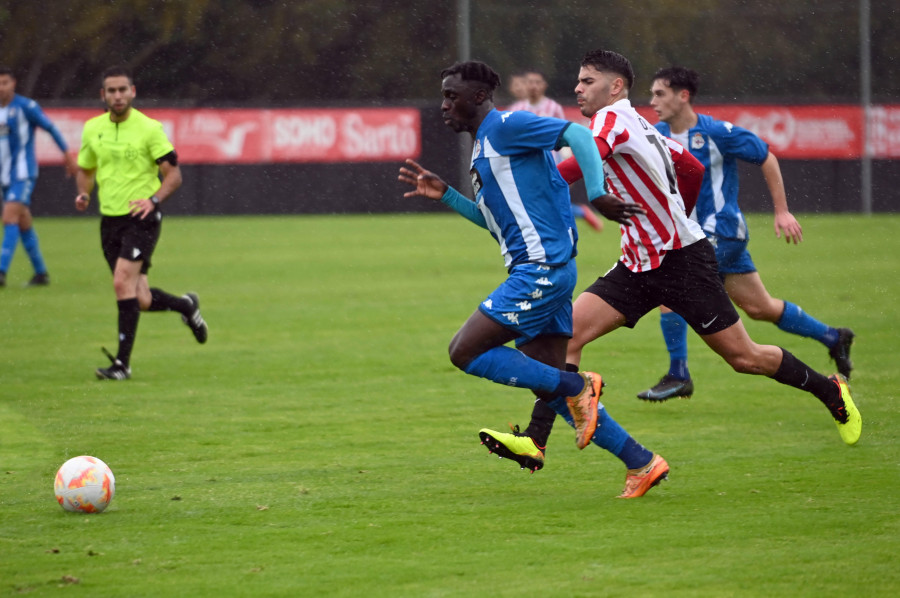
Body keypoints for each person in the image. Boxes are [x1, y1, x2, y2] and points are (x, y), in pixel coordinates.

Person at [481, 50, 861, 482]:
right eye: (579, 80)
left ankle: (831, 390)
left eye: (587, 80)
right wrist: (677, 214)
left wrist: (531, 185)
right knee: (566, 339)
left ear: (616, 86)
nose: (577, 88)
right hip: (638, 265)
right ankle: (536, 439)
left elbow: (578, 162)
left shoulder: (611, 121)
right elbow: (691, 167)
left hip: (682, 262)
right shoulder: (641, 123)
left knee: (745, 357)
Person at [398, 60, 666, 498]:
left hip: (540, 270)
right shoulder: (486, 146)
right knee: (551, 385)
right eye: (443, 96)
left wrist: (596, 193)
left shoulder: (505, 127)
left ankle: (580, 384)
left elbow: (578, 135)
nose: (444, 105)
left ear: (479, 96)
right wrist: (446, 193)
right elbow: (493, 222)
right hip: (545, 270)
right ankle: (642, 462)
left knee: (464, 352)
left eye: (452, 95)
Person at [636, 66, 855, 401]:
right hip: (699, 234)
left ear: (683, 96)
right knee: (760, 307)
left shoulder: (717, 132)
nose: (652, 101)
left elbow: (765, 156)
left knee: (672, 281)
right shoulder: (657, 133)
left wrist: (781, 211)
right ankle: (833, 337)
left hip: (723, 229)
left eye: (659, 93)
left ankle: (678, 374)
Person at [74, 66, 208, 380]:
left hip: (142, 218)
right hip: (110, 220)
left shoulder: (149, 129)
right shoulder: (93, 129)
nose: (117, 96)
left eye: (123, 90)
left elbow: (173, 175)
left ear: (133, 92)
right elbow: (85, 168)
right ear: (103, 95)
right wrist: (83, 193)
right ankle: (186, 307)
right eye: (111, 91)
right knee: (141, 299)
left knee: (121, 282)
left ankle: (122, 365)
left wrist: (154, 200)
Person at [0, 66, 78, 287]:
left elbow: (51, 128)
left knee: (8, 218)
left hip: (23, 173)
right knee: (23, 223)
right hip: (4, 176)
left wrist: (67, 156)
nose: (1, 87)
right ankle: (41, 274)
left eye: (5, 82)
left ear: (13, 84)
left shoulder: (26, 107)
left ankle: (1, 272)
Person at [508, 68, 604, 232]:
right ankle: (577, 213)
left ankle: (569, 223)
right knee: (535, 203)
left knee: (546, 202)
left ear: (544, 85)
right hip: (525, 164)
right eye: (530, 82)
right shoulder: (517, 108)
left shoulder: (553, 108)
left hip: (549, 164)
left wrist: (566, 165)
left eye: (537, 82)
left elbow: (566, 139)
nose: (533, 86)